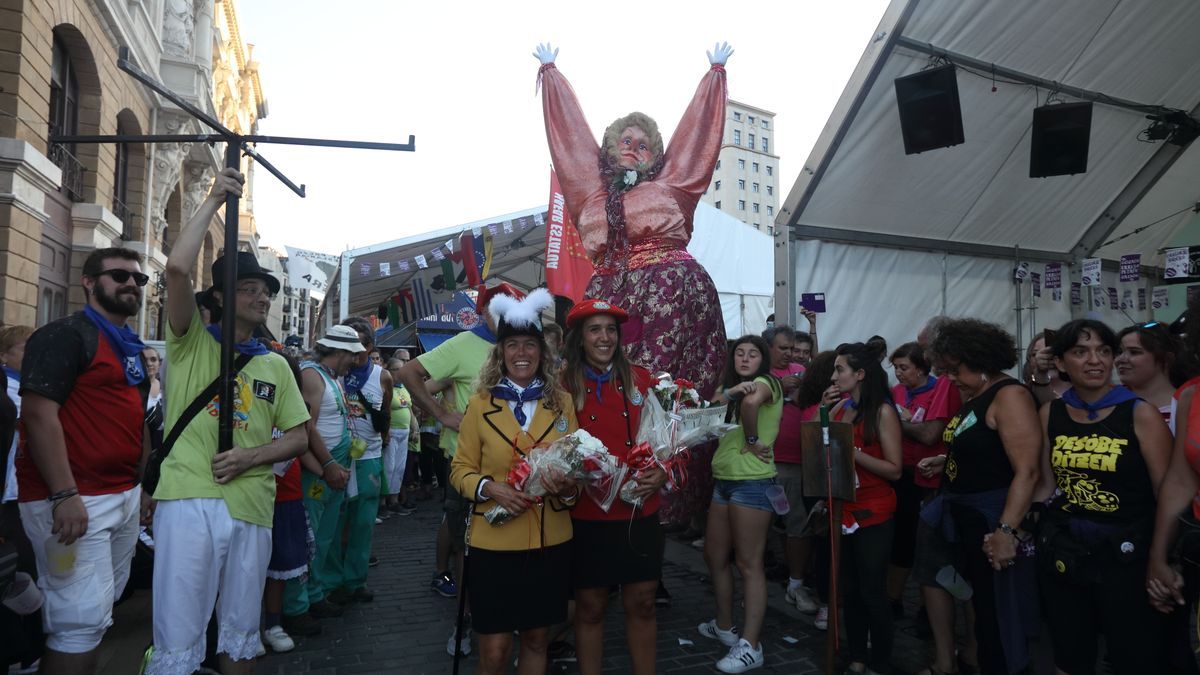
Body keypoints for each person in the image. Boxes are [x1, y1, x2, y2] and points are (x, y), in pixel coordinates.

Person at [148, 168, 310, 675]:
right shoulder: (189, 339)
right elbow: (176, 269)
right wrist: (216, 198)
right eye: (248, 288)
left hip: (251, 506)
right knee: (179, 631)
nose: (262, 297)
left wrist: (251, 456)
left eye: (266, 291)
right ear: (218, 296)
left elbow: (300, 437)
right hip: (188, 499)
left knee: (241, 632)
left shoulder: (274, 364)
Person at [535, 41, 731, 399]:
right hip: (609, 294)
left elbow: (698, 136)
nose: (632, 147)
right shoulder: (589, 192)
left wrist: (715, 77)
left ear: (655, 156)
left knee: (666, 390)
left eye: (643, 145)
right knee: (602, 386)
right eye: (625, 140)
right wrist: (551, 76)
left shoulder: (673, 185)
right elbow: (570, 138)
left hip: (673, 292)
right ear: (610, 146)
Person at [13, 248, 149, 675]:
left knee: (96, 612)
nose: (131, 284)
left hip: (121, 496)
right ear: (89, 282)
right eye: (119, 275)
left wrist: (141, 487)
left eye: (138, 279)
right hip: (75, 501)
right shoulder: (64, 335)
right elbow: (37, 414)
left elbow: (137, 419)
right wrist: (64, 493)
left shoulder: (130, 344)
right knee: (78, 622)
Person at [449, 288, 579, 675]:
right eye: (512, 345)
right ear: (500, 352)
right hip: (494, 542)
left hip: (549, 540)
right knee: (495, 649)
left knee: (538, 640)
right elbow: (460, 470)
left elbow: (576, 468)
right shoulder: (479, 404)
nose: (521, 353)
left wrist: (568, 486)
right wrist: (491, 488)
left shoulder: (563, 404)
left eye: (529, 344)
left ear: (542, 351)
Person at [1037, 319, 1172, 673]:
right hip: (1067, 553)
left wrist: (1163, 559)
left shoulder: (1140, 414)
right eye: (1080, 352)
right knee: (1069, 653)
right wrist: (1010, 528)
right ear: (1062, 364)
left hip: (1126, 556)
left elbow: (1166, 495)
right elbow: (1044, 485)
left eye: (1103, 351)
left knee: (1133, 656)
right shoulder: (1051, 413)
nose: (1094, 360)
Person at [398, 281, 524, 655]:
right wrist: (440, 414)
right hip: (468, 468)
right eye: (497, 306)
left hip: (517, 470)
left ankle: (508, 619)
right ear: (483, 310)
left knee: (515, 550)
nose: (504, 314)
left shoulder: (520, 347)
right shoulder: (465, 344)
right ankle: (464, 625)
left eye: (512, 306)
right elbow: (409, 374)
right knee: (466, 550)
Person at [919, 318, 1041, 675]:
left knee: (998, 614)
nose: (950, 377)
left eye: (955, 369)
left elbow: (1027, 470)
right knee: (983, 610)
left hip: (992, 517)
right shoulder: (976, 395)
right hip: (965, 515)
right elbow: (986, 447)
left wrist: (1006, 531)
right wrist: (947, 460)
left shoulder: (1011, 396)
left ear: (981, 359)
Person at [561, 299, 665, 675]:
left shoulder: (643, 379)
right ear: (580, 338)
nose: (604, 337)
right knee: (590, 607)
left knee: (643, 602)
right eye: (595, 329)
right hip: (587, 513)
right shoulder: (561, 383)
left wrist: (664, 471)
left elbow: (669, 438)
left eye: (610, 329)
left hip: (640, 509)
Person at [698, 335, 782, 673]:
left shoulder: (766, 382)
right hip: (725, 481)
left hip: (753, 481)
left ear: (763, 359)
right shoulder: (730, 388)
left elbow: (751, 405)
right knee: (715, 556)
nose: (745, 359)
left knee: (749, 564)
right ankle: (724, 626)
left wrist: (751, 439)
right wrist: (730, 392)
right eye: (740, 354)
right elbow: (707, 413)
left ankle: (751, 645)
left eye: (753, 354)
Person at [828, 343, 903, 675]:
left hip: (874, 510)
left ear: (859, 375)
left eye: (840, 369)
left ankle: (882, 661)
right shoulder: (841, 408)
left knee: (873, 589)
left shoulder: (883, 412)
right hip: (844, 507)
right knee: (850, 589)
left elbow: (895, 469)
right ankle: (857, 656)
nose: (833, 376)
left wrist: (852, 451)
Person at [887, 342, 960, 616]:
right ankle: (894, 600)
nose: (899, 374)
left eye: (904, 367)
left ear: (921, 368)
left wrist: (897, 423)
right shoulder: (896, 392)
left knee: (928, 544)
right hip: (902, 473)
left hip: (929, 476)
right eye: (895, 368)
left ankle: (925, 609)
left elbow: (931, 434)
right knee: (903, 539)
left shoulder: (940, 389)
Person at [294, 326, 360, 629]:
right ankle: (298, 602)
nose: (354, 361)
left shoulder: (331, 377)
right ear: (339, 352)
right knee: (310, 538)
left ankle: (315, 593)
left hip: (333, 470)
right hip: (320, 473)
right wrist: (326, 467)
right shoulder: (312, 376)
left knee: (324, 537)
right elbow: (306, 428)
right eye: (352, 355)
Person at [331, 316, 392, 602]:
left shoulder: (382, 376)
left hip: (368, 456)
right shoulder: (332, 373)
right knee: (334, 521)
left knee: (363, 522)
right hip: (337, 457)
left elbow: (386, 414)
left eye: (358, 345)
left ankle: (354, 580)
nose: (352, 352)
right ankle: (330, 581)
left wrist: (383, 443)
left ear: (370, 347)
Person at [762, 325, 817, 614]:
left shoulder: (800, 371)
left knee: (797, 524)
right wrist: (776, 389)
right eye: (783, 348)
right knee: (763, 526)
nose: (789, 354)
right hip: (763, 463)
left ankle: (796, 585)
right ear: (768, 347)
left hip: (796, 462)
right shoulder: (758, 374)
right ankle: (754, 584)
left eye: (791, 348)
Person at [1115, 321, 1195, 423]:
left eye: (1134, 352)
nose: (1120, 359)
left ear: (1167, 359)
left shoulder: (1189, 406)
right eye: (1119, 352)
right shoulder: (1108, 399)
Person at [382, 353, 419, 515]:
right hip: (391, 432)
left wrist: (415, 428)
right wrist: (385, 431)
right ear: (388, 370)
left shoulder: (404, 388)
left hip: (404, 433)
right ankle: (383, 502)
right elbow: (383, 410)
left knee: (399, 468)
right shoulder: (385, 387)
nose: (399, 372)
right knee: (388, 468)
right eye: (396, 369)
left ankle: (394, 500)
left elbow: (409, 409)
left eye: (402, 369)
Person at [1, 324, 33, 504]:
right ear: (3, 355)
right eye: (24, 349)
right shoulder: (9, 387)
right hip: (11, 481)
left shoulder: (26, 384)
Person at [142, 346, 165, 460]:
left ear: (159, 364)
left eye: (153, 359)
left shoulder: (167, 390)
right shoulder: (132, 389)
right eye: (145, 359)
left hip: (160, 450)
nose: (149, 363)